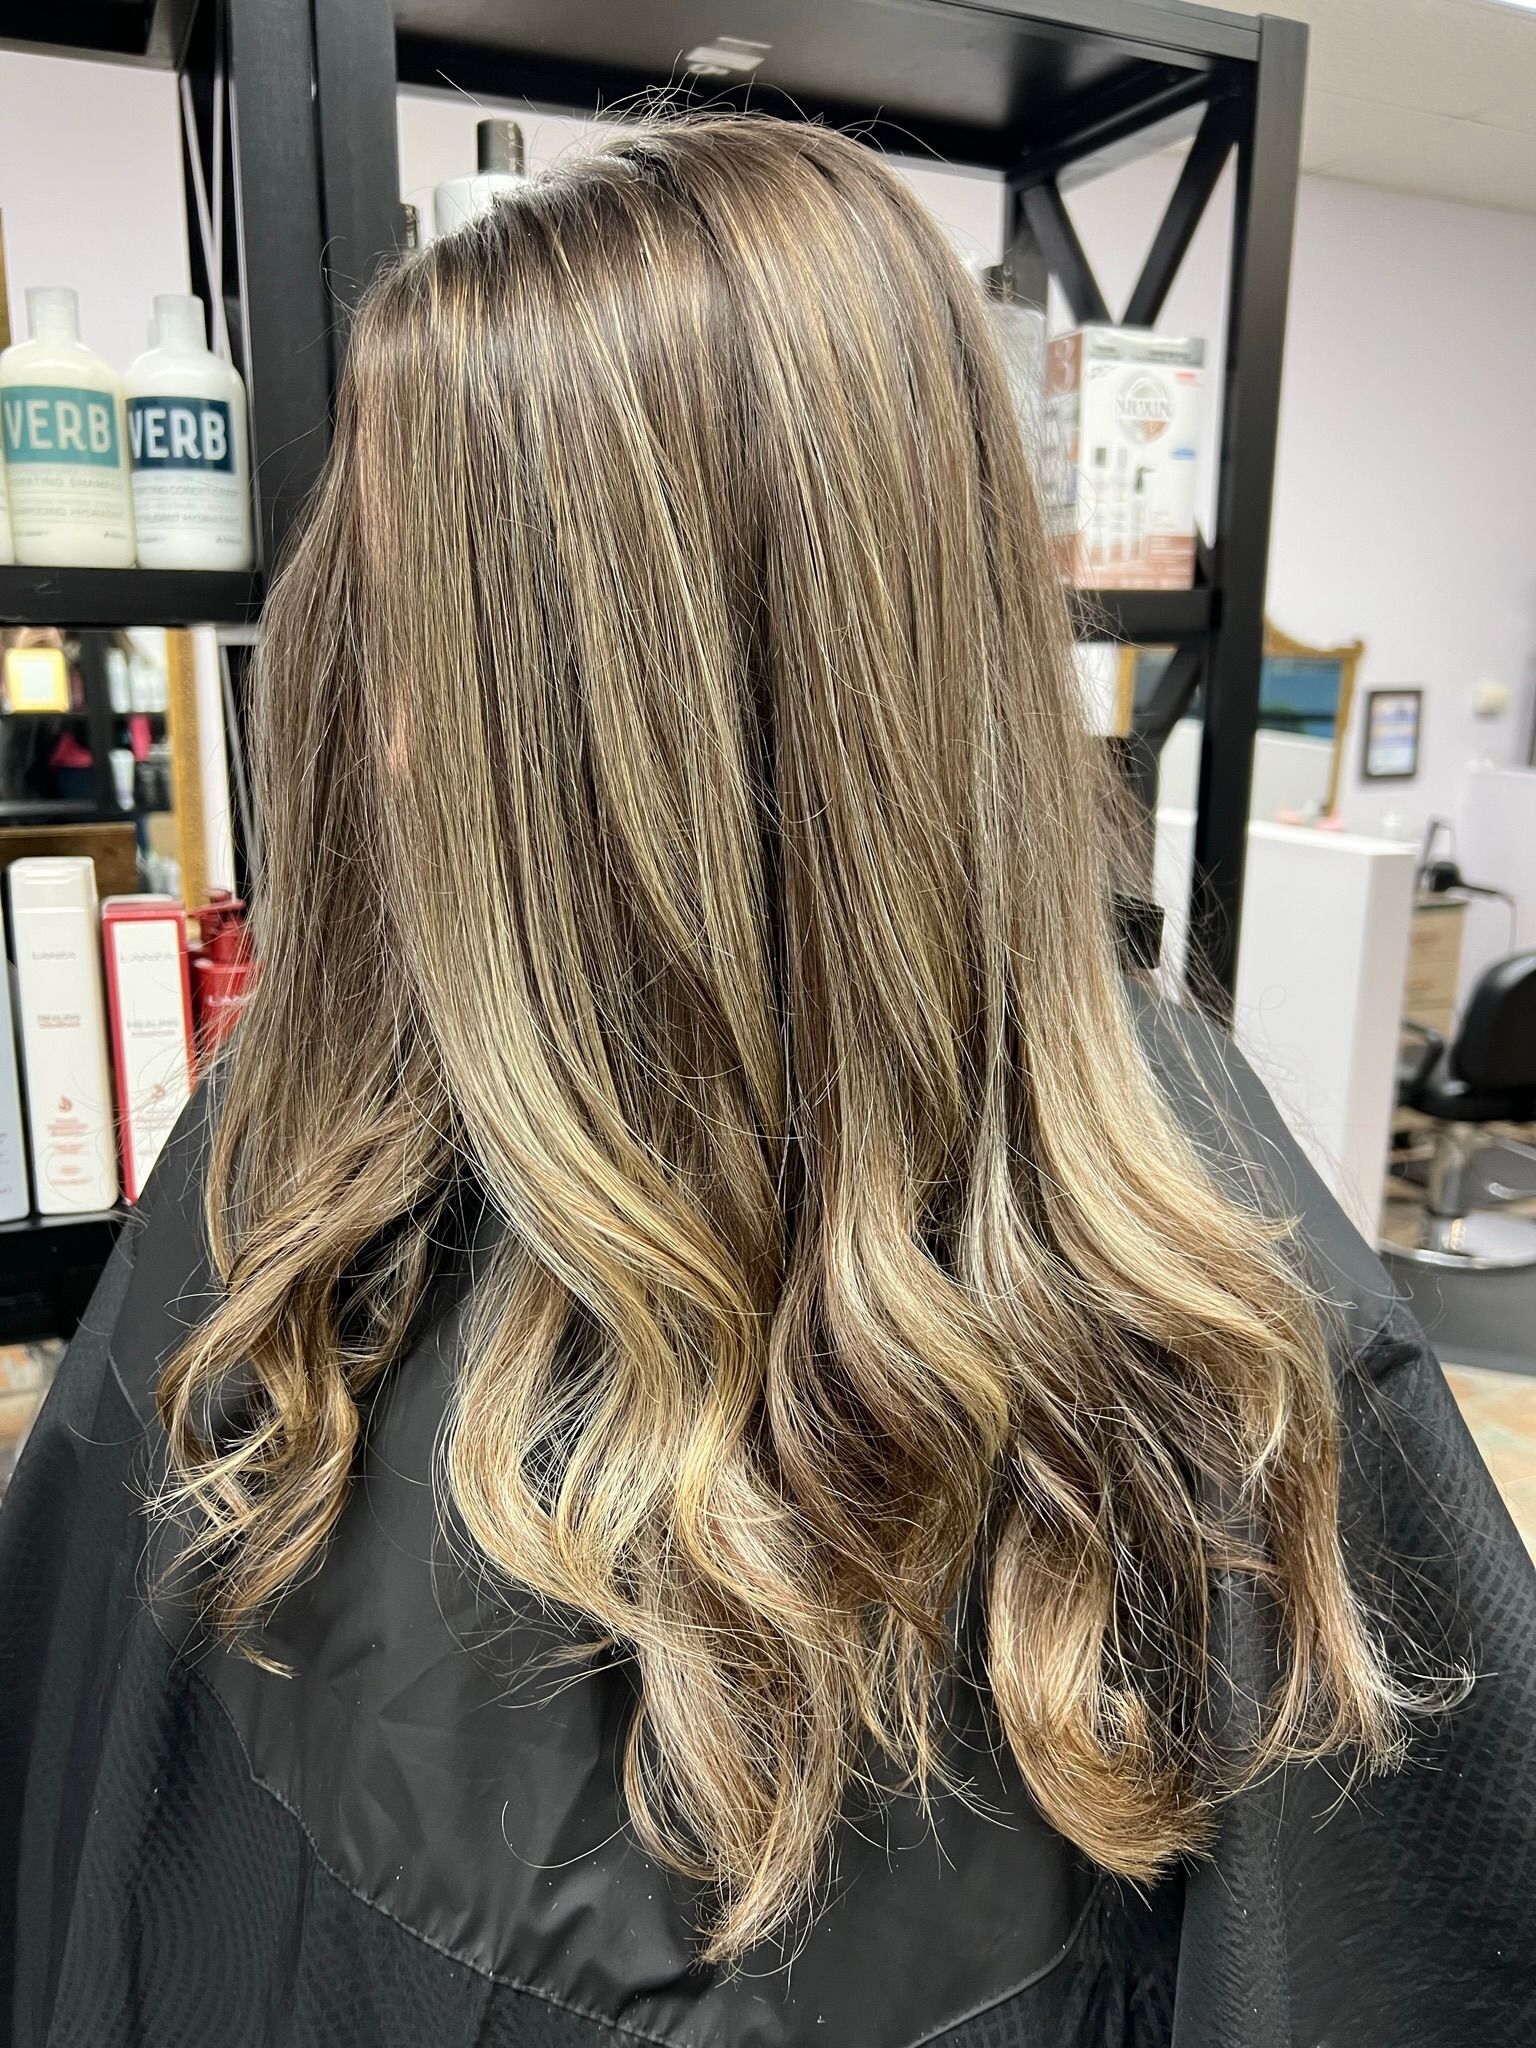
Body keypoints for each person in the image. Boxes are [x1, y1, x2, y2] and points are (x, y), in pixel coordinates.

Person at [1, 116, 1531, 2048]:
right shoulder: (316, 1160)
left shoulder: (1218, 1361)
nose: (370, 727)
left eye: (415, 644)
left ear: (606, 708)